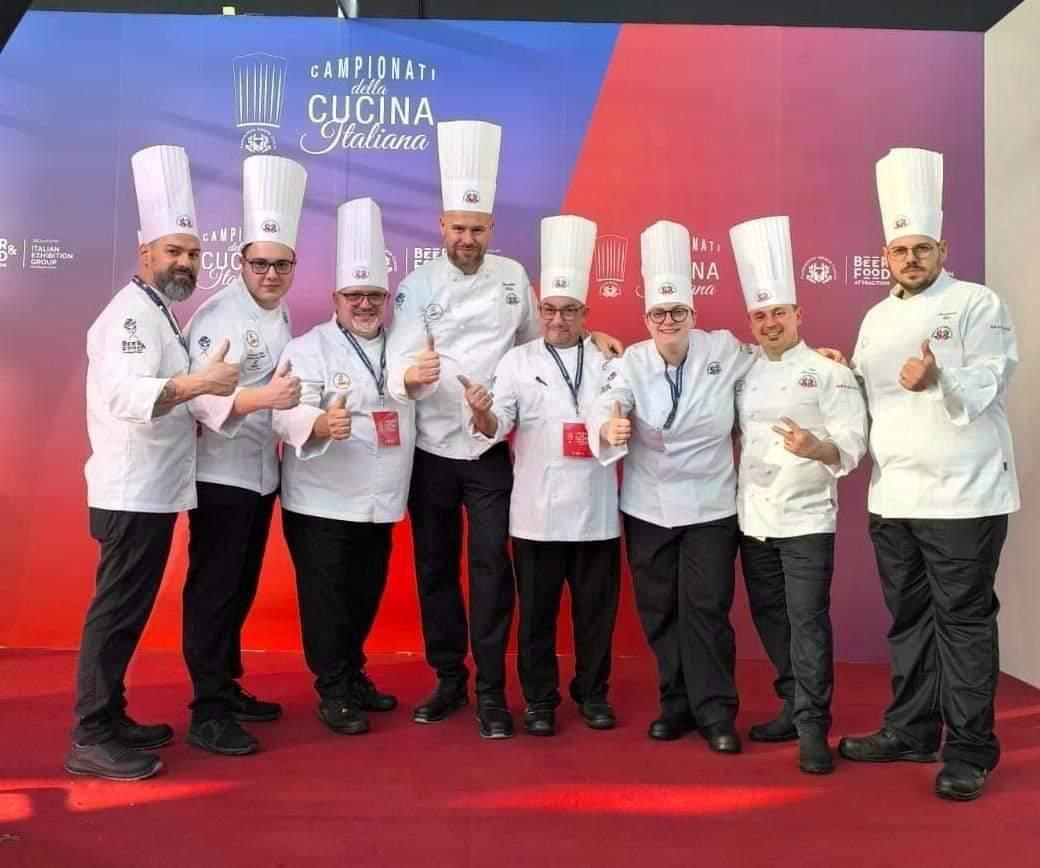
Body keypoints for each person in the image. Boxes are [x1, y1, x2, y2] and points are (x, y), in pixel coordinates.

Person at [387, 120, 622, 739]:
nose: (467, 238)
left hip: (490, 448)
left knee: (493, 572)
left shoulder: (515, 277)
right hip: (431, 450)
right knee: (435, 569)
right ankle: (449, 678)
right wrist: (412, 375)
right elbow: (397, 365)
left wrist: (593, 336)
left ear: (491, 228)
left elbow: (542, 344)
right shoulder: (416, 286)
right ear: (442, 226)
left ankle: (492, 691)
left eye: (478, 229)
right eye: (458, 228)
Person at [838, 148, 1020, 801]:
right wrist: (838, 372)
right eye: (899, 250)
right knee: (910, 619)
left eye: (921, 248)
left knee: (963, 622)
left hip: (964, 495)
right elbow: (868, 392)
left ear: (942, 249)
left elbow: (992, 378)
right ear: (884, 256)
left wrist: (941, 376)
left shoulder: (976, 303)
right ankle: (912, 730)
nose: (910, 258)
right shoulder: (876, 318)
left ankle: (970, 750)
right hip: (894, 495)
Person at [66, 145, 239, 781]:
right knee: (115, 613)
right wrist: (201, 384)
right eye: (173, 251)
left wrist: (209, 390)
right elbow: (127, 396)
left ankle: (111, 717)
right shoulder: (128, 316)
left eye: (192, 253)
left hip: (154, 491)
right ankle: (90, 735)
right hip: (130, 491)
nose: (185, 262)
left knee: (128, 613)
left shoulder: (159, 311)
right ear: (145, 253)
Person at [587, 220, 756, 754]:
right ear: (646, 319)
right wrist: (608, 427)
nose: (668, 321)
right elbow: (609, 399)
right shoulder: (633, 361)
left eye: (677, 312)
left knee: (706, 607)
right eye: (658, 313)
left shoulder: (723, 349)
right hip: (649, 505)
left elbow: (771, 361)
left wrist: (818, 360)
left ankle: (716, 711)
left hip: (710, 505)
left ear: (693, 314)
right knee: (660, 609)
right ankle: (676, 704)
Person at [463, 215, 621, 737]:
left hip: (597, 510)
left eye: (569, 309)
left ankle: (593, 695)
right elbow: (497, 425)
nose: (558, 318)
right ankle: (539, 700)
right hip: (535, 513)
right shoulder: (516, 361)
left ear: (584, 314)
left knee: (595, 614)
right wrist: (481, 412)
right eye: (550, 309)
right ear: (539, 311)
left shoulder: (609, 359)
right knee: (536, 615)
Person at [729, 215, 868, 774]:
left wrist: (818, 448)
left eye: (779, 313)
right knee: (770, 617)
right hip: (752, 519)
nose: (770, 323)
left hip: (807, 519)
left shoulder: (829, 372)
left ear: (798, 314)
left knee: (807, 620)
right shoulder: (744, 369)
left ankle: (813, 726)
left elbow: (853, 442)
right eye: (760, 315)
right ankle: (791, 704)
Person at [181, 155, 307, 756]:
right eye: (261, 263)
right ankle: (206, 710)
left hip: (261, 476)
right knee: (213, 589)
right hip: (220, 475)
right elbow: (204, 401)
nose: (271, 274)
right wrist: (265, 398)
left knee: (240, 585)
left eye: (281, 264)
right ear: (241, 262)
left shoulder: (280, 312)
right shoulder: (219, 316)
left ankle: (226, 686)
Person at [273, 197, 410, 736]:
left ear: (387, 298)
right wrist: (318, 423)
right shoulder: (309, 348)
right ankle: (332, 690)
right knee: (327, 600)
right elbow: (283, 411)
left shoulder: (403, 346)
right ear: (336, 299)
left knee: (364, 593)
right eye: (354, 295)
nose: (365, 304)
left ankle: (353, 673)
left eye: (374, 294)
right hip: (321, 499)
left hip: (381, 497)